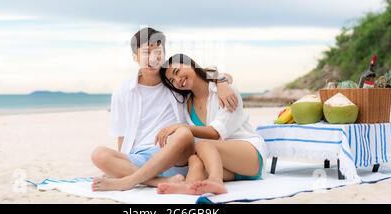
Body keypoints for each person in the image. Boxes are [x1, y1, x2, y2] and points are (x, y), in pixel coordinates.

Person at [91, 28, 238, 191]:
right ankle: (154, 180)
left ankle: (129, 180)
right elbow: (122, 135)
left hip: (177, 154)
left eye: (158, 51)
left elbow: (204, 74)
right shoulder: (123, 91)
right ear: (135, 57)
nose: (153, 57)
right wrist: (121, 162)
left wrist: (223, 82)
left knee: (183, 132)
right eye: (147, 52)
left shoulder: (175, 81)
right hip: (139, 157)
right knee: (98, 154)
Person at [155, 53, 267, 195]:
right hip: (223, 164)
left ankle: (215, 181)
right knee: (194, 160)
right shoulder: (186, 104)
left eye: (177, 72)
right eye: (172, 80)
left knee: (203, 144)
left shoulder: (225, 91)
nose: (177, 80)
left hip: (250, 156)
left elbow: (215, 133)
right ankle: (188, 186)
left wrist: (222, 81)